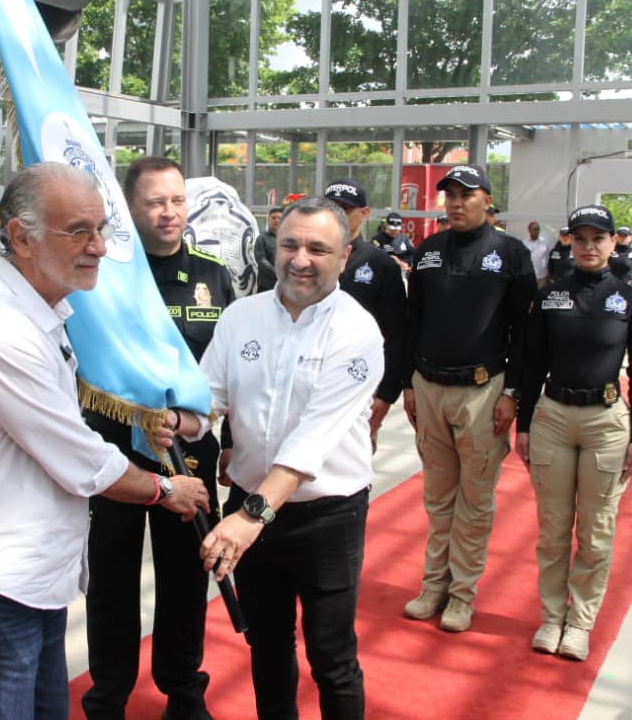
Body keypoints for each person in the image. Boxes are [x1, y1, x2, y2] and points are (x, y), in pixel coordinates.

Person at [0, 163, 209, 720]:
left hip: (29, 580)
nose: (99, 247)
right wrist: (167, 489)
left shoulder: (43, 314)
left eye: (99, 228)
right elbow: (77, 457)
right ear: (21, 236)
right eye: (78, 231)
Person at [195, 196, 383, 720]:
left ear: (345, 256)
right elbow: (207, 398)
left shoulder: (357, 332)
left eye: (318, 249)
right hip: (250, 509)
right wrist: (174, 420)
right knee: (268, 647)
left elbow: (310, 444)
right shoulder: (240, 316)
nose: (300, 259)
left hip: (326, 516)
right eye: (291, 244)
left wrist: (249, 517)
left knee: (332, 656)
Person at [83, 157, 235, 720]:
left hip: (189, 451)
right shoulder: (103, 278)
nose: (169, 212)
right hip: (113, 451)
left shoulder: (214, 274)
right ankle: (108, 697)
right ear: (129, 207)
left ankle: (183, 689)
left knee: (185, 577)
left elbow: (227, 369)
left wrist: (230, 440)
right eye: (155, 202)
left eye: (176, 200)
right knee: (112, 581)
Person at [514, 204, 632, 662]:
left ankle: (580, 623)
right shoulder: (551, 295)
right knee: (553, 530)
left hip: (606, 422)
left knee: (596, 532)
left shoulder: (631, 301)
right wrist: (524, 424)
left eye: (599, 238)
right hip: (553, 417)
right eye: (581, 239)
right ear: (569, 243)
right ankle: (552, 617)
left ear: (614, 243)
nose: (589, 246)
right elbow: (533, 363)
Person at [401, 164, 536, 633]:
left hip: (483, 393)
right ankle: (433, 586)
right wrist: (407, 383)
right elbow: (412, 320)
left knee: (474, 503)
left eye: (466, 194)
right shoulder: (429, 250)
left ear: (487, 200)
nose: (456, 203)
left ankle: (462, 595)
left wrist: (514, 393)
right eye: (449, 195)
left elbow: (525, 332)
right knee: (438, 500)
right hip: (429, 387)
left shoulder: (511, 254)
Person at [324, 178, 407, 450]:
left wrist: (386, 395)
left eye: (344, 211)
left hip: (358, 389)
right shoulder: (303, 257)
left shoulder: (380, 265)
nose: (336, 217)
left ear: (365, 213)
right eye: (330, 208)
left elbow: (397, 335)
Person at [255, 206, 283, 292]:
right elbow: (261, 260)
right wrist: (277, 273)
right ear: (268, 220)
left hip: (284, 287)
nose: (276, 220)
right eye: (273, 218)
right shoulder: (262, 238)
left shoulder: (287, 239)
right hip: (266, 286)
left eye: (279, 218)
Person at [523, 221, 550, 286]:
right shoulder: (524, 243)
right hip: (528, 276)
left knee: (541, 295)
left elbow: (547, 258)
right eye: (535, 229)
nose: (537, 231)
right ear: (529, 230)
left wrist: (548, 273)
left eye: (538, 229)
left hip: (541, 276)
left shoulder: (544, 243)